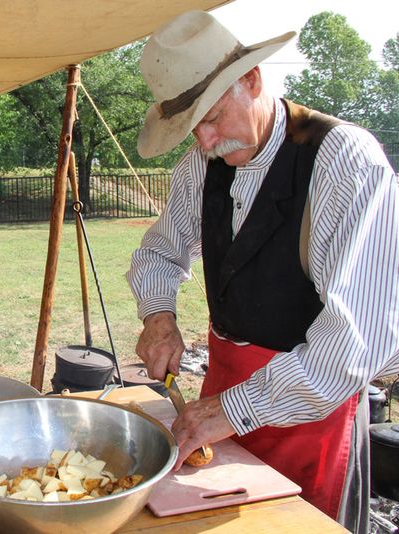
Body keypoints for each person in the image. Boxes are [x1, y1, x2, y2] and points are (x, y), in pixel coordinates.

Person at [126, 10, 399, 532]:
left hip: (311, 410)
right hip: (222, 396)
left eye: (211, 117)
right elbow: (158, 253)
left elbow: (352, 342)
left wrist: (235, 407)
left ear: (251, 79)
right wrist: (157, 316)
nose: (204, 142)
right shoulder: (201, 167)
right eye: (190, 128)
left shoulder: (344, 161)